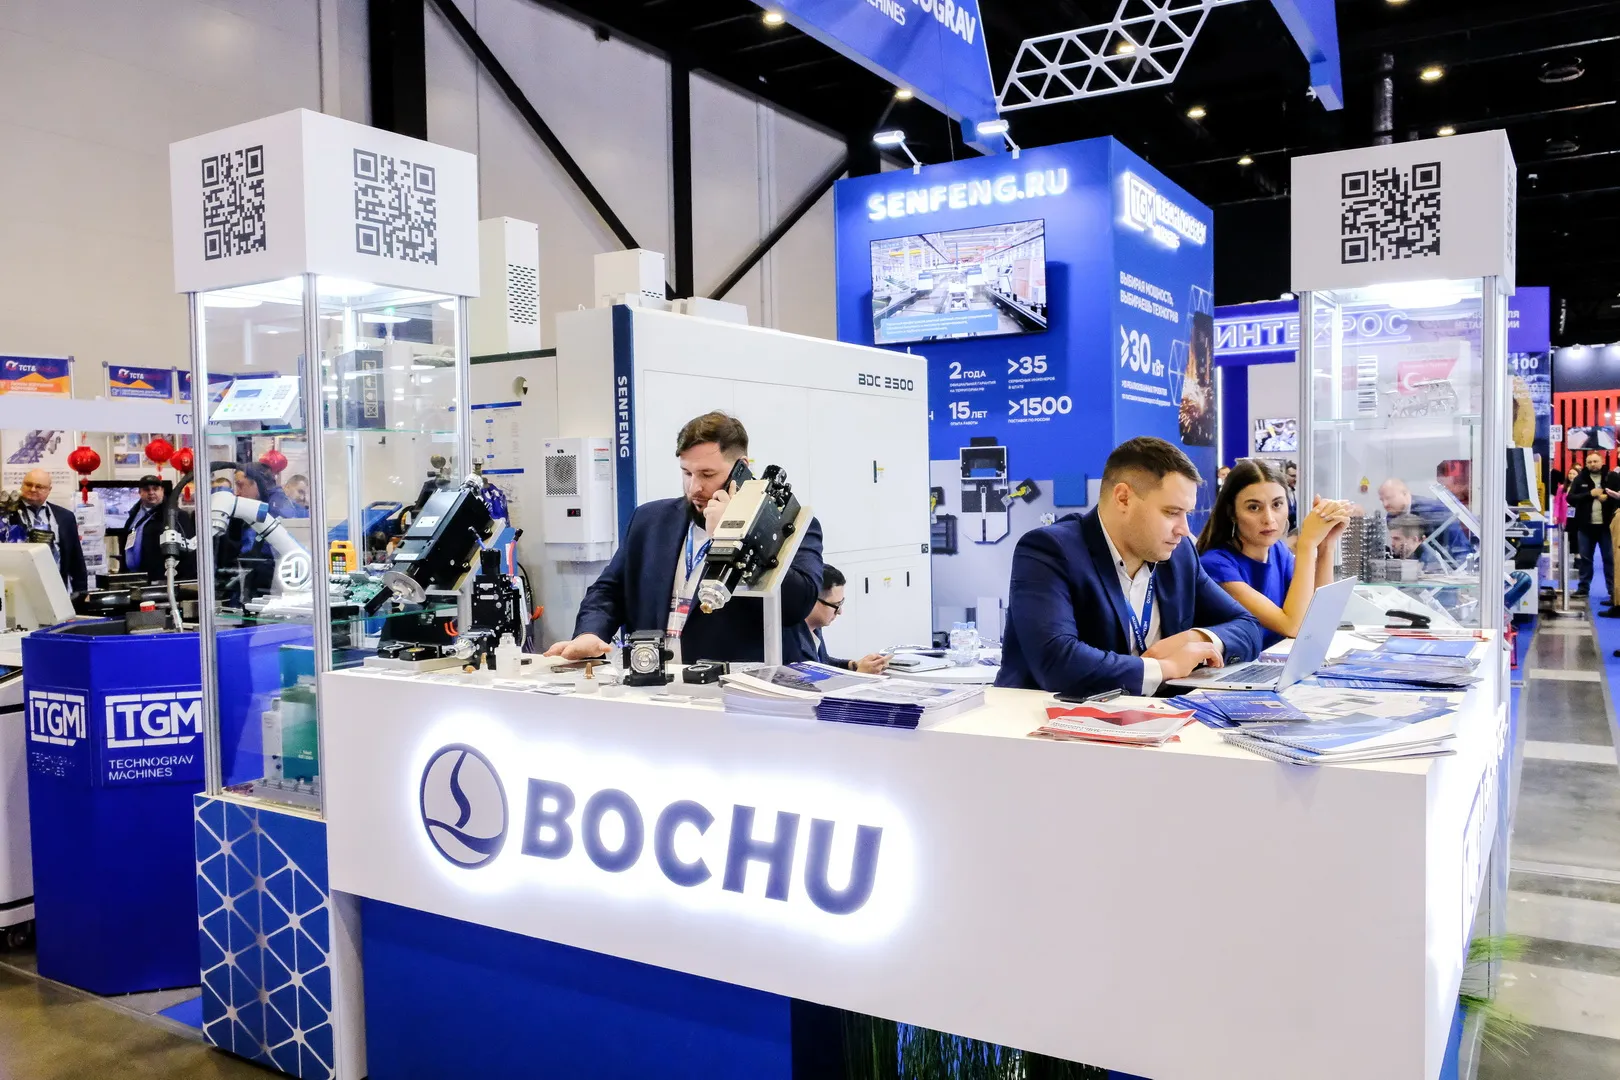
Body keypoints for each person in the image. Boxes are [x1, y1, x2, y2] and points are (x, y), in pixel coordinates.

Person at [547, 412, 824, 665]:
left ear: (741, 468)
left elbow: (797, 606)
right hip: (661, 683)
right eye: (687, 473)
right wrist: (590, 633)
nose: (695, 487)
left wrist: (733, 535)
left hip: (740, 688)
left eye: (707, 474)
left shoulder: (788, 526)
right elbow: (609, 590)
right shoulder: (650, 520)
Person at [996, 437, 1262, 697]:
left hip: (1155, 716)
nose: (1184, 529)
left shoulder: (1180, 555)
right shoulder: (1050, 550)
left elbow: (1248, 626)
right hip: (1048, 720)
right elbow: (1057, 661)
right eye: (1171, 512)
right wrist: (1164, 668)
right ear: (1123, 498)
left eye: (1187, 514)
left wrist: (1196, 638)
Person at [1195, 459, 1352, 649]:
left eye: (1277, 504)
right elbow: (1293, 627)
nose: (1269, 519)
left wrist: (1326, 545)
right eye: (1254, 507)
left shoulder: (1278, 551)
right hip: (1238, 666)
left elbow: (1320, 617)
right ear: (1232, 512)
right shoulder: (1215, 565)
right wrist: (1307, 544)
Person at [789, 566, 889, 674]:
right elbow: (811, 681)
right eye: (836, 605)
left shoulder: (815, 627)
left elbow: (823, 662)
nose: (840, 611)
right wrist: (861, 674)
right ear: (812, 599)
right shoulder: (790, 641)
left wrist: (853, 665)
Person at [16, 468, 87, 593]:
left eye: (39, 486)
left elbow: (76, 558)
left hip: (57, 586)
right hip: (20, 587)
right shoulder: (6, 515)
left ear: (49, 490)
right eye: (28, 484)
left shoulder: (65, 517)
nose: (33, 489)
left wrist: (81, 591)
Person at [118, 474, 196, 582]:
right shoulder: (133, 516)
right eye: (146, 489)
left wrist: (184, 581)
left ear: (162, 491)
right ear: (140, 492)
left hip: (161, 580)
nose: (151, 492)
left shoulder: (175, 516)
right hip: (133, 578)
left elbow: (189, 551)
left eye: (155, 489)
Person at [1567, 449, 1620, 600]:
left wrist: (1608, 498)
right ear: (1586, 464)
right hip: (1585, 526)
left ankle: (1613, 591)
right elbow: (1570, 498)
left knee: (1610, 559)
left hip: (1607, 527)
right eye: (1589, 462)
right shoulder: (1580, 478)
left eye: (1595, 461)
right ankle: (1583, 588)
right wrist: (1589, 494)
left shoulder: (1613, 477)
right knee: (1585, 559)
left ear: (1602, 461)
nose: (1593, 464)